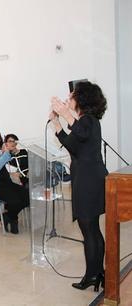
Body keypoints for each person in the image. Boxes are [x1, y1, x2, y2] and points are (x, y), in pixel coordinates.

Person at [50, 81, 108, 291]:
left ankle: (93, 275)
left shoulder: (89, 121)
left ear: (81, 99)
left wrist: (65, 112)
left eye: (71, 95)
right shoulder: (84, 122)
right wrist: (56, 123)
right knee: (91, 229)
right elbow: (73, 146)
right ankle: (98, 273)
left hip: (89, 182)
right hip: (87, 180)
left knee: (89, 229)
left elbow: (80, 133)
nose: (68, 98)